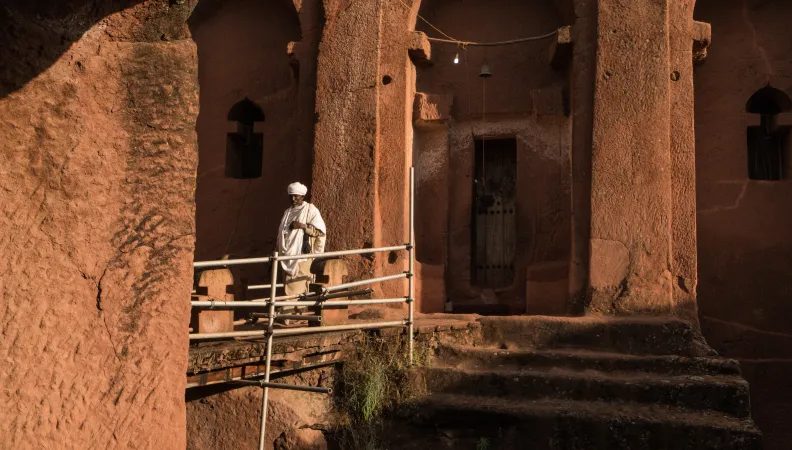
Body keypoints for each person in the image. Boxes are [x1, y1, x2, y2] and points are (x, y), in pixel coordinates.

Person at [276, 182, 326, 320]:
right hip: (287, 254)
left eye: (296, 196)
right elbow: (281, 234)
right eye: (291, 196)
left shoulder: (311, 210)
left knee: (299, 284)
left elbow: (319, 231)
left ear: (302, 196)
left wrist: (302, 226)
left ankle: (290, 315)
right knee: (288, 285)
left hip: (302, 255)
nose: (293, 199)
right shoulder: (287, 212)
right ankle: (293, 315)